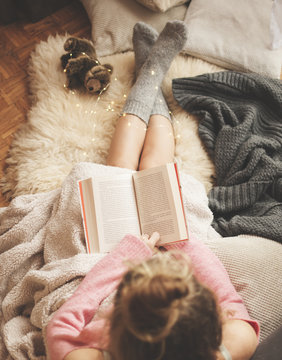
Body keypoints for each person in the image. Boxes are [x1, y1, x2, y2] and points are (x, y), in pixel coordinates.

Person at [45, 22, 259, 360]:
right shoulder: (227, 349)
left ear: (114, 331)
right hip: (172, 242)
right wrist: (182, 242)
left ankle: (148, 76)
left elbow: (60, 328)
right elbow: (234, 309)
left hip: (114, 250)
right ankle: (151, 72)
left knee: (115, 173)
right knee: (157, 172)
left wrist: (126, 256)